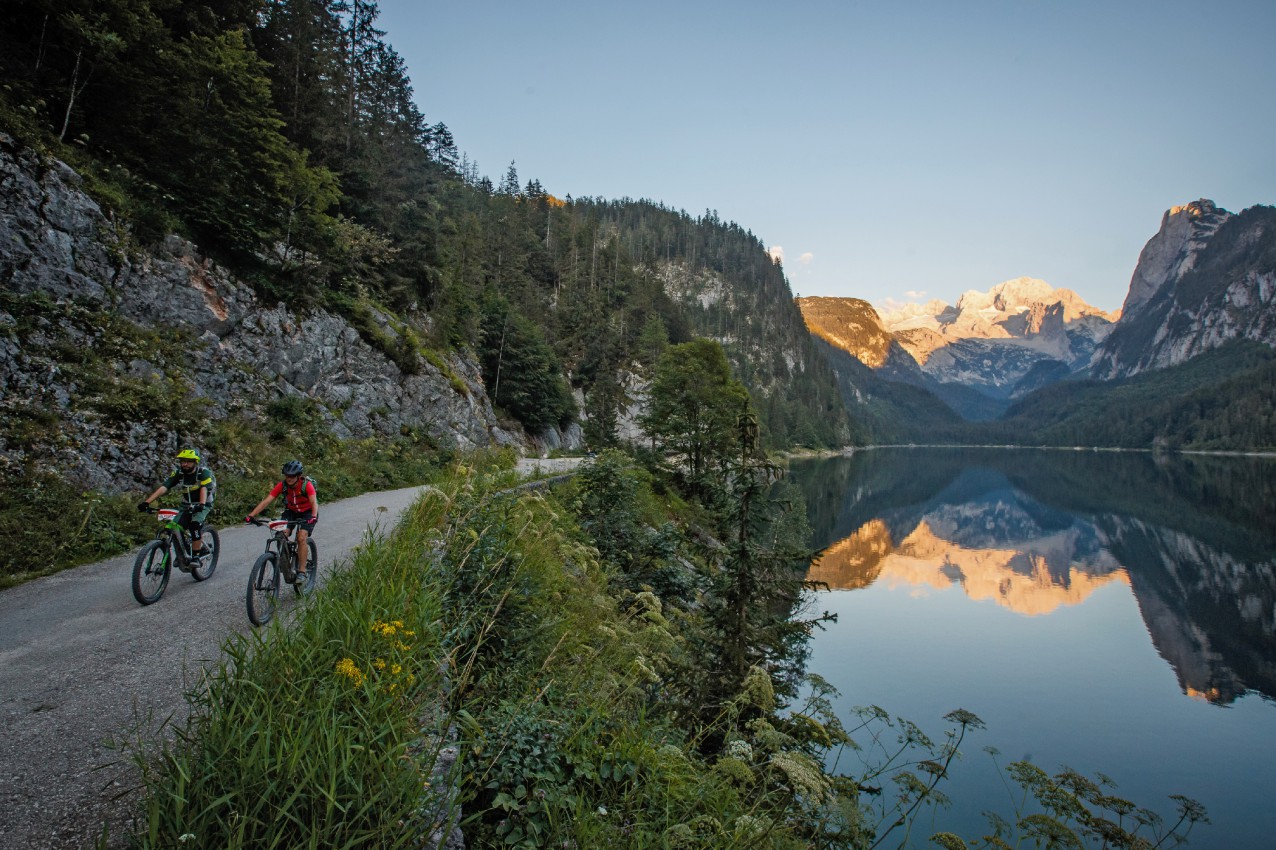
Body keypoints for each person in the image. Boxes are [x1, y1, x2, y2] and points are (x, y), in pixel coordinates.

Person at [246, 460, 318, 585]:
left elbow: (313, 502)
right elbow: (267, 501)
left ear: (298, 475)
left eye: (292, 476)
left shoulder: (306, 485)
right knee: (281, 534)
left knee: (301, 537)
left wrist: (313, 516)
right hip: (291, 511)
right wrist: (251, 515)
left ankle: (301, 572)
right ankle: (285, 561)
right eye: (286, 475)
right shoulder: (282, 485)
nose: (289, 479)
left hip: (307, 512)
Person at [139, 448, 215, 563]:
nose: (184, 464)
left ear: (195, 462)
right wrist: (147, 502)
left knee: (195, 525)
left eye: (188, 461)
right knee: (175, 526)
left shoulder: (203, 472)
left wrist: (201, 504)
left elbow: (205, 488)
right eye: (182, 461)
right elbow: (165, 486)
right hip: (186, 504)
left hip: (203, 503)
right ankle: (183, 554)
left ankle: (195, 557)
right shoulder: (179, 473)